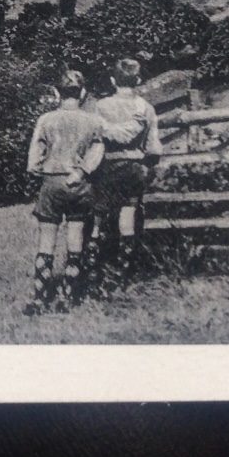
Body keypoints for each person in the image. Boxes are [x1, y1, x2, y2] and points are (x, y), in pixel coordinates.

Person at [22, 76, 105, 314]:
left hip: (52, 181)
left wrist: (41, 170)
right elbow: (98, 151)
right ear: (82, 93)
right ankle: (68, 296)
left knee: (47, 239)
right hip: (80, 184)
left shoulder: (46, 119)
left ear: (58, 94)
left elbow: (34, 158)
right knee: (76, 237)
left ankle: (39, 297)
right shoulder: (94, 121)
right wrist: (81, 171)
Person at [86, 57, 162, 288]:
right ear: (138, 80)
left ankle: (92, 268)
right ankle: (124, 272)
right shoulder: (145, 108)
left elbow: (92, 139)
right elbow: (153, 147)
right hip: (133, 167)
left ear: (112, 80)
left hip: (106, 166)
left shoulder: (100, 107)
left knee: (98, 217)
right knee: (127, 217)